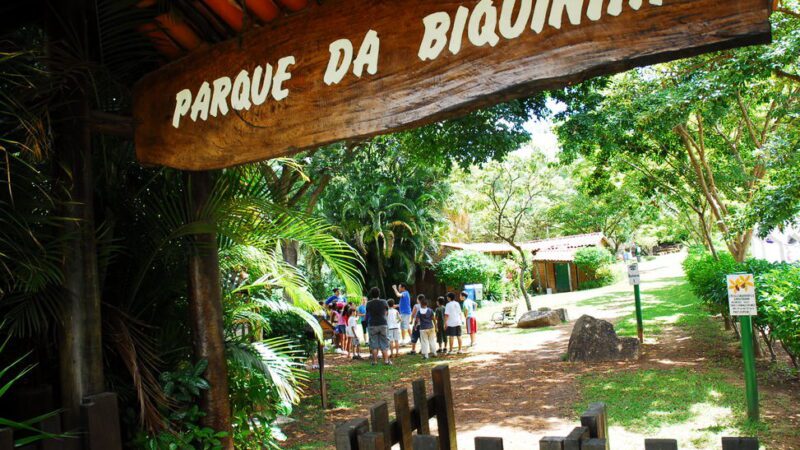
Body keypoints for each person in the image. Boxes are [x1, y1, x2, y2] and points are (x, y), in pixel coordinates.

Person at [366, 287, 391, 365]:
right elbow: (387, 312)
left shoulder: (369, 303)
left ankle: (375, 361)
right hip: (383, 323)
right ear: (379, 294)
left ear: (371, 294)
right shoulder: (384, 302)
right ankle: (386, 361)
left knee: (374, 344)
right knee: (384, 343)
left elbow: (368, 314)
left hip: (372, 324)